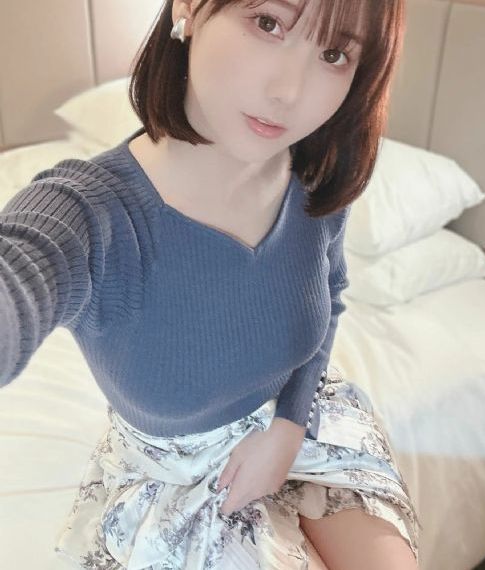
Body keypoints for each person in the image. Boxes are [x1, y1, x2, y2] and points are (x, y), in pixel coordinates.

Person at [0, 0, 422, 568]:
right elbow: (21, 274)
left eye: (333, 54)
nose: (289, 92)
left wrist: (288, 428)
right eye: (268, 23)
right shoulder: (92, 214)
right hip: (177, 480)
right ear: (190, 8)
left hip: (305, 421)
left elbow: (333, 292)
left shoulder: (316, 179)